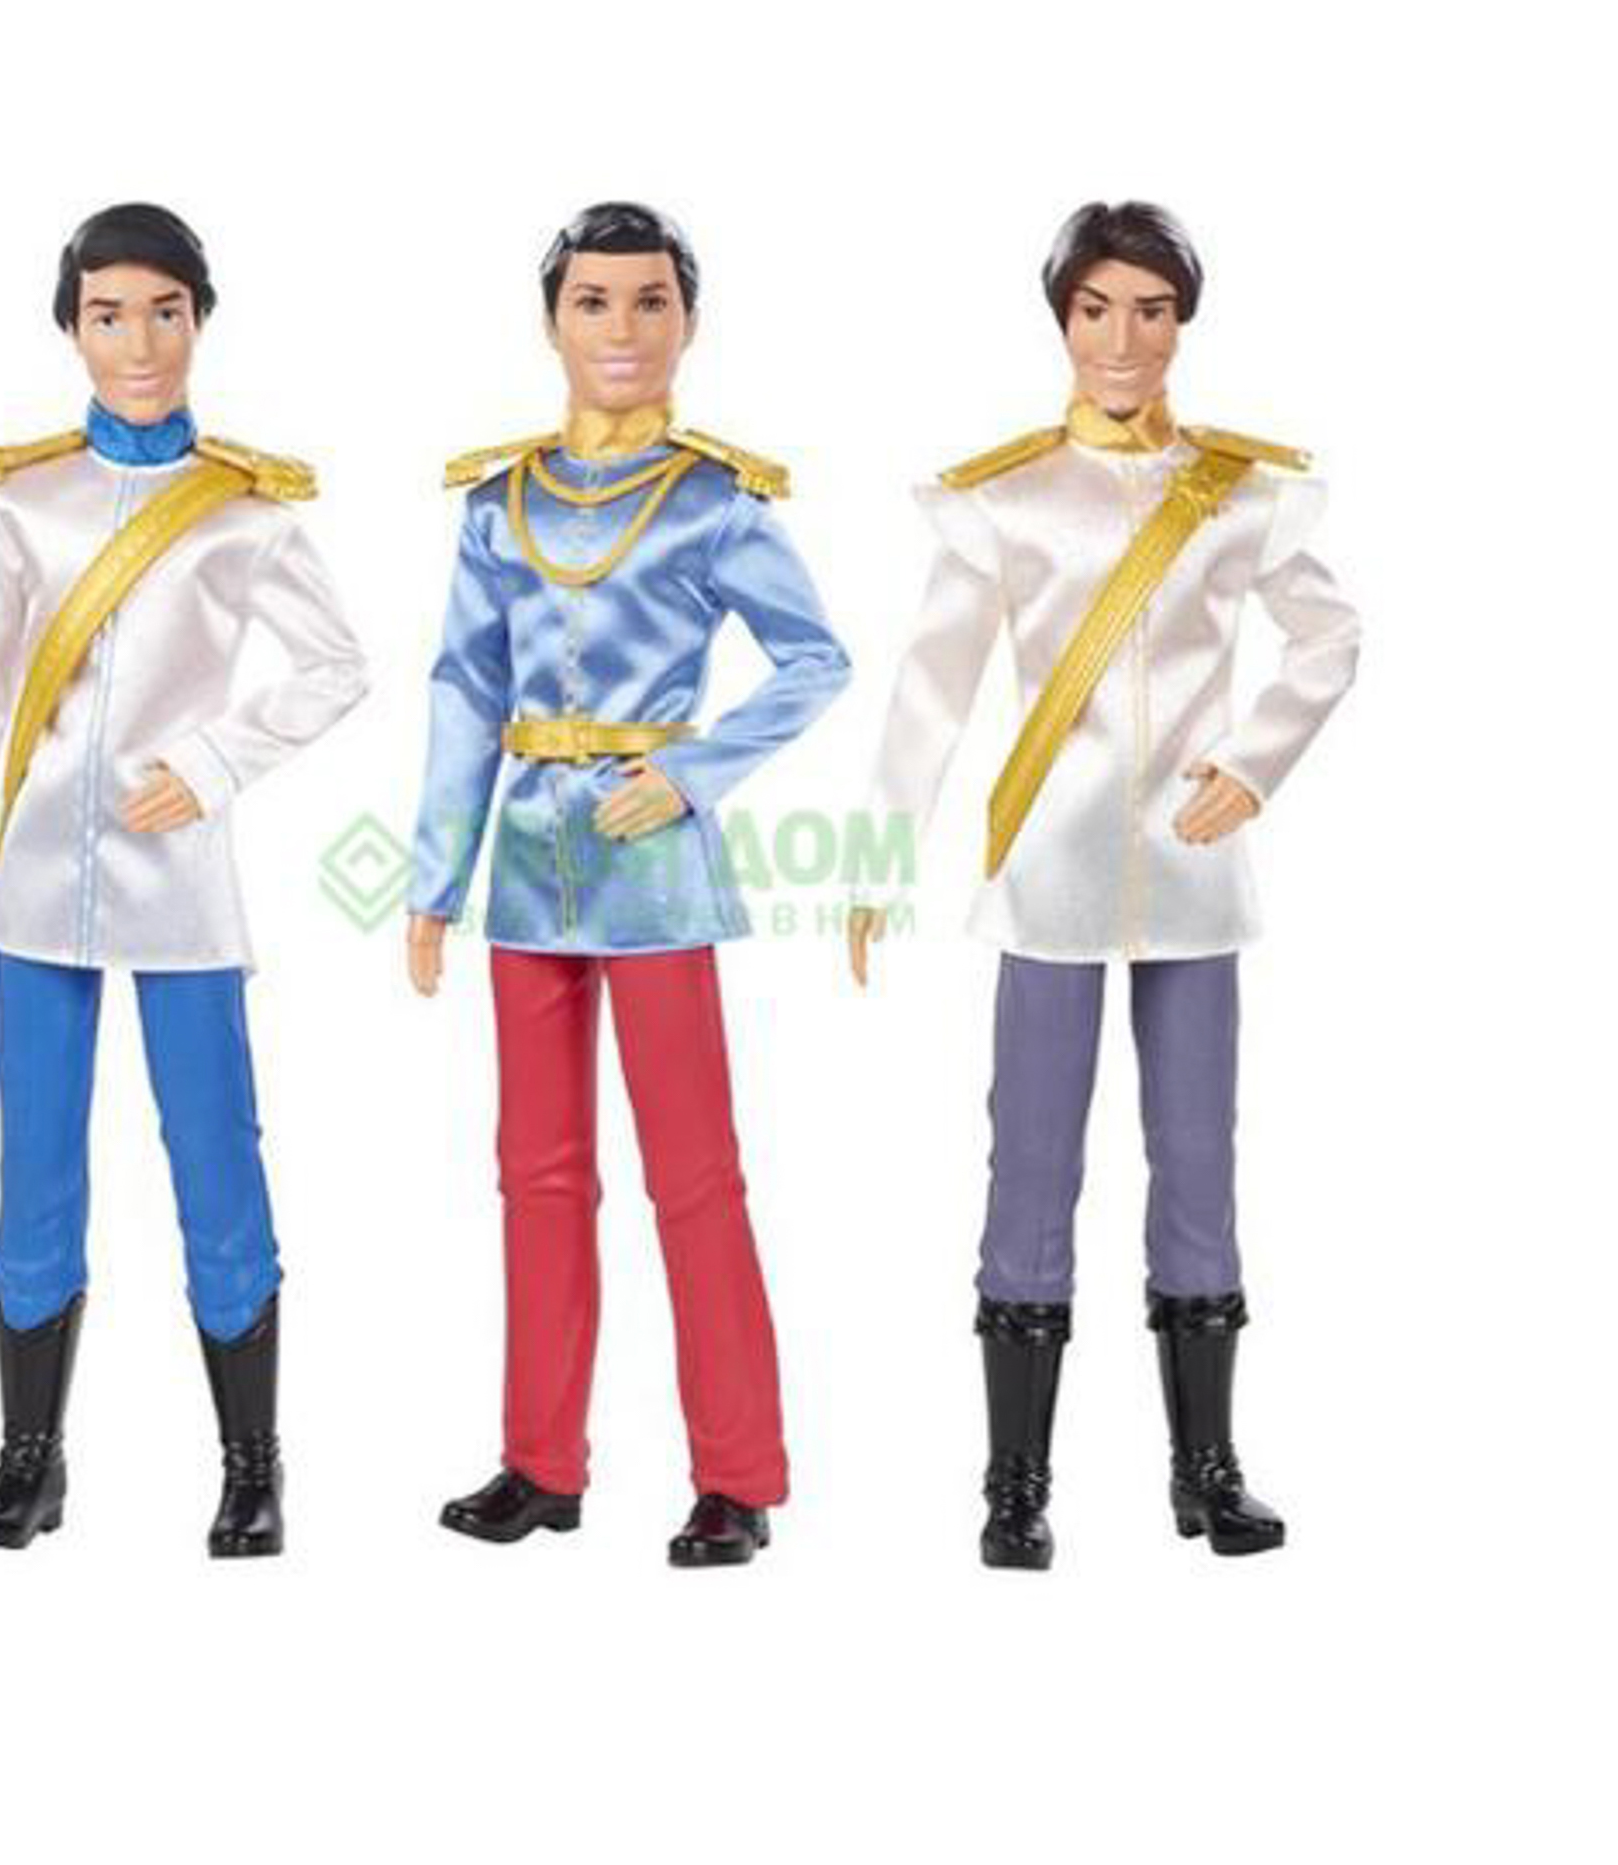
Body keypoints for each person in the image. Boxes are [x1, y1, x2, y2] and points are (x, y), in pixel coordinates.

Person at [849, 200, 1360, 1568]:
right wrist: (878, 854)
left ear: (1182, 321)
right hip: (1052, 876)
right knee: (1031, 1165)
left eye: (1150, 310)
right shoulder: (1008, 497)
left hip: (1192, 869)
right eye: (1096, 310)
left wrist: (1254, 762)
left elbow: (1328, 637)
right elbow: (933, 685)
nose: (1123, 339)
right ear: (1062, 320)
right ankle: (1014, 1480)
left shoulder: (1239, 492)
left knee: (1199, 1161)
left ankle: (1207, 1463)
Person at [0, 202, 368, 1557]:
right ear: (73, 329)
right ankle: (28, 1459)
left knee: (217, 1159)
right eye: (109, 315)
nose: (141, 342)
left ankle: (251, 1466)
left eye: (166, 312)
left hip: (181, 882)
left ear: (199, 321)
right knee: (35, 1165)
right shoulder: (22, 503)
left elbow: (336, 665)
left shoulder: (245, 515)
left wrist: (216, 762)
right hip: (43, 876)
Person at [408, 201, 849, 1567]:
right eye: (592, 301)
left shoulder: (716, 502)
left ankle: (739, 1475)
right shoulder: (500, 502)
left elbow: (815, 660)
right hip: (527, 869)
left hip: (654, 864)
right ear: (552, 321)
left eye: (650, 300)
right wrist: (434, 877)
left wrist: (697, 772)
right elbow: (464, 686)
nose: (621, 328)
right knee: (535, 1175)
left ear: (689, 322)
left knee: (693, 1175)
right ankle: (541, 1460)